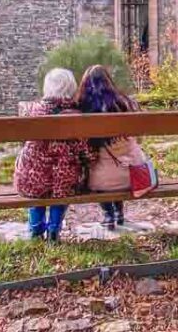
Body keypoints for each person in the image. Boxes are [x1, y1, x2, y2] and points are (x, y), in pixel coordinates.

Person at [13, 68, 92, 241]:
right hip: (63, 181)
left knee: (36, 187)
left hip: (31, 178)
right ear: (71, 88)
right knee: (62, 185)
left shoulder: (31, 111)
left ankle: (35, 229)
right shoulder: (75, 117)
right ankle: (54, 230)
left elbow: (23, 142)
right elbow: (84, 150)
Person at [76, 64, 146, 230]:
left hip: (100, 182)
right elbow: (139, 139)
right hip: (132, 175)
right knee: (118, 163)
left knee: (103, 168)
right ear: (109, 81)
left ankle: (108, 213)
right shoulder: (126, 103)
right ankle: (119, 213)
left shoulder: (82, 109)